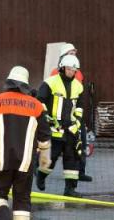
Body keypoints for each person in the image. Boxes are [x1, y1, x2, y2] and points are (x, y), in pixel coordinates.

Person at [0, 66, 51, 220]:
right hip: (26, 162)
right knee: (22, 200)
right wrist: (44, 156)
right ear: (26, 86)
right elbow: (44, 135)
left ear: (8, 82)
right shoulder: (36, 106)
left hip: (1, 161)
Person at [36, 54, 85, 197]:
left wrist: (77, 121)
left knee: (73, 158)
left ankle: (70, 190)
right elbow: (40, 101)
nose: (71, 72)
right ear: (62, 68)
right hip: (54, 128)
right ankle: (41, 176)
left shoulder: (78, 86)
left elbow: (80, 106)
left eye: (74, 70)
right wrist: (46, 118)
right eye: (69, 69)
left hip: (71, 128)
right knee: (52, 156)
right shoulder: (50, 83)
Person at [48, 43, 93, 182]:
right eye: (71, 53)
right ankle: (41, 169)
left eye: (74, 52)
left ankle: (80, 172)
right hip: (60, 120)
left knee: (80, 144)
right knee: (56, 149)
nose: (74, 55)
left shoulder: (78, 72)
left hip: (75, 117)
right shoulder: (56, 73)